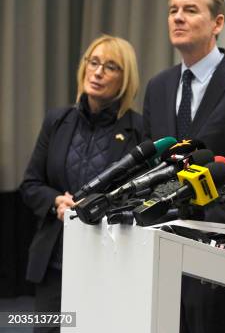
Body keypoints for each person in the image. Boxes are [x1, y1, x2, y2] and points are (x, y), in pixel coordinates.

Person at [142, 0, 225, 333]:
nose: (178, 18)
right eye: (173, 10)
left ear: (218, 23)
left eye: (190, 10)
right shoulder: (159, 85)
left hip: (216, 244)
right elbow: (150, 159)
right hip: (159, 239)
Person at [20, 35, 144, 333]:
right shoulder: (58, 121)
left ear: (125, 79)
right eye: (94, 62)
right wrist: (55, 202)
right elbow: (31, 184)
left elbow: (139, 198)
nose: (98, 72)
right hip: (55, 263)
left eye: (111, 67)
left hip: (108, 262)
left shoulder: (138, 131)